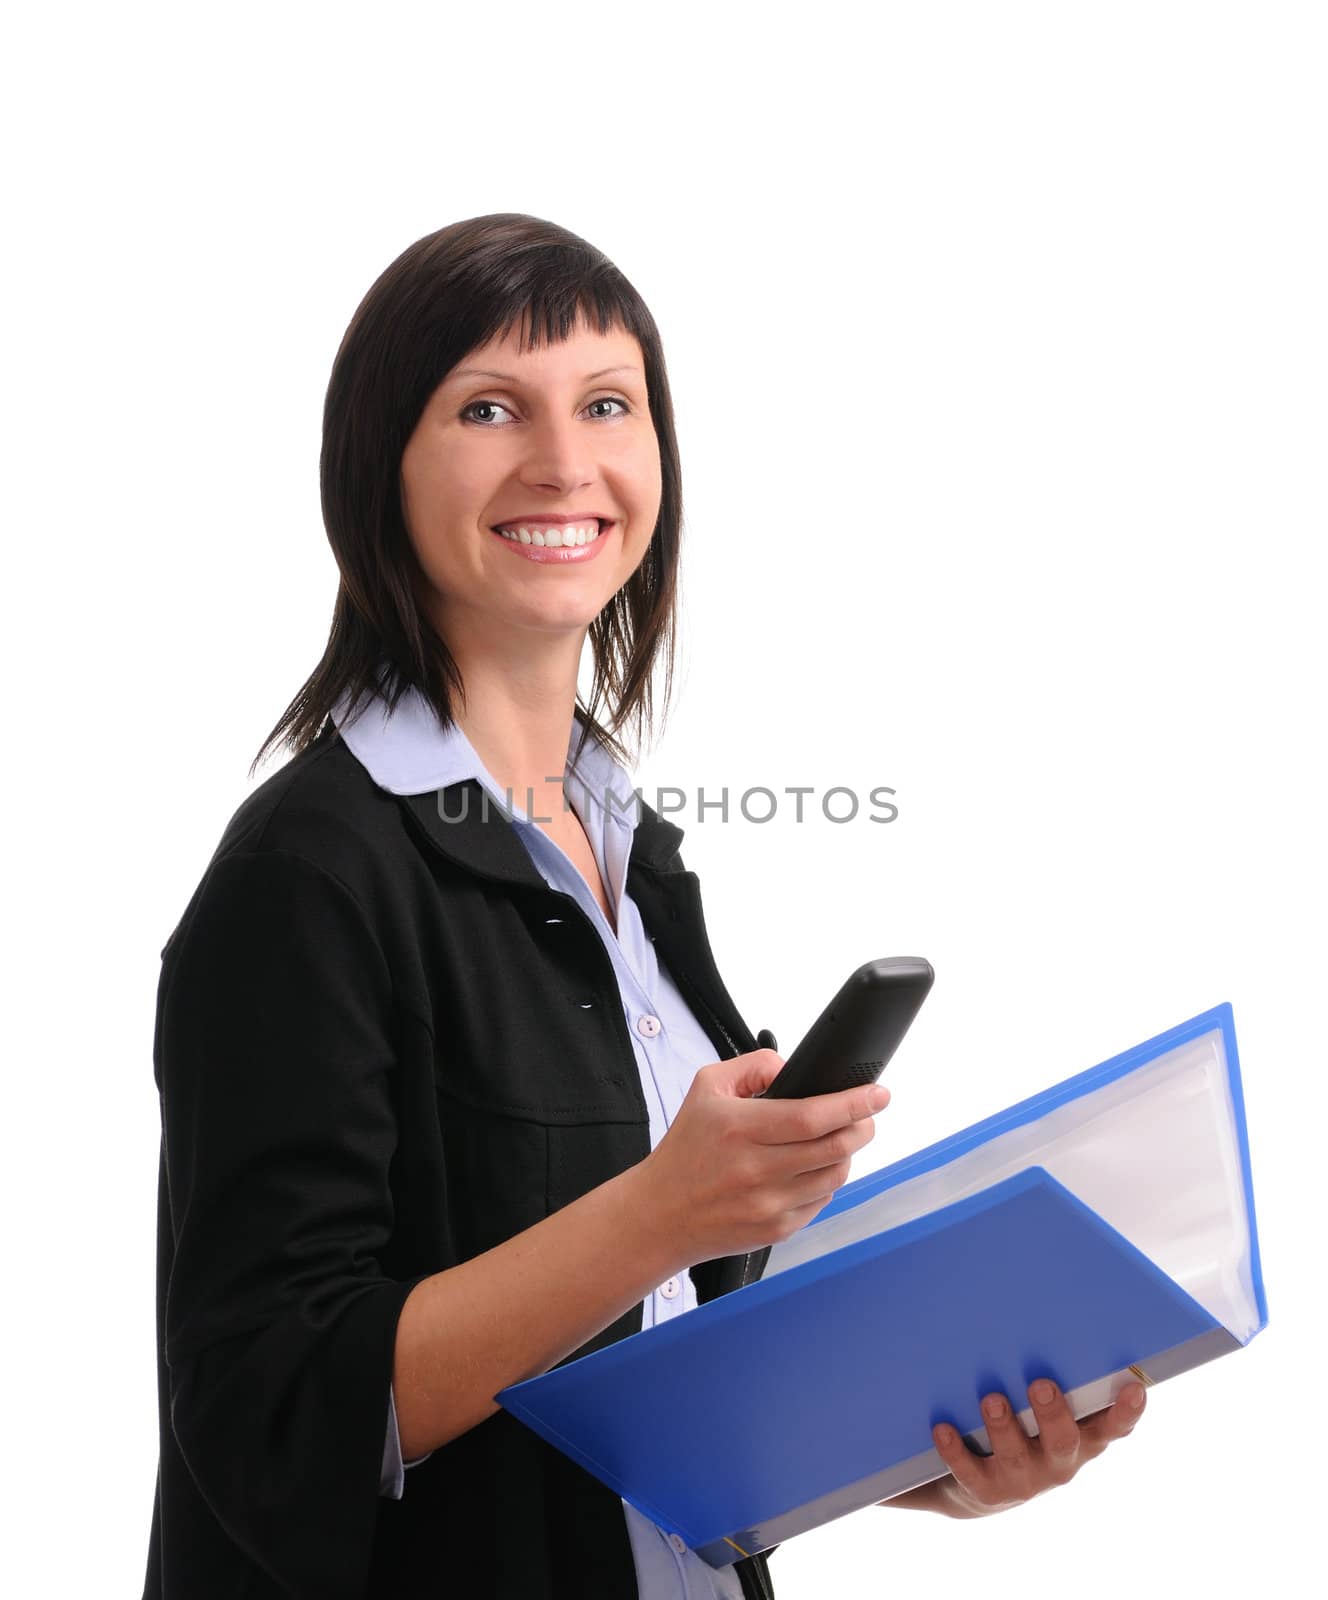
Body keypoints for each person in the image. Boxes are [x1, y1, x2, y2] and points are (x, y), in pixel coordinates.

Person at [142, 213, 1147, 1600]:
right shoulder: (307, 878)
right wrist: (664, 1211)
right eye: (489, 408)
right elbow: (269, 1418)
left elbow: (667, 1371)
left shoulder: (632, 854)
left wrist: (924, 1456)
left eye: (607, 405)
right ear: (378, 466)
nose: (564, 463)